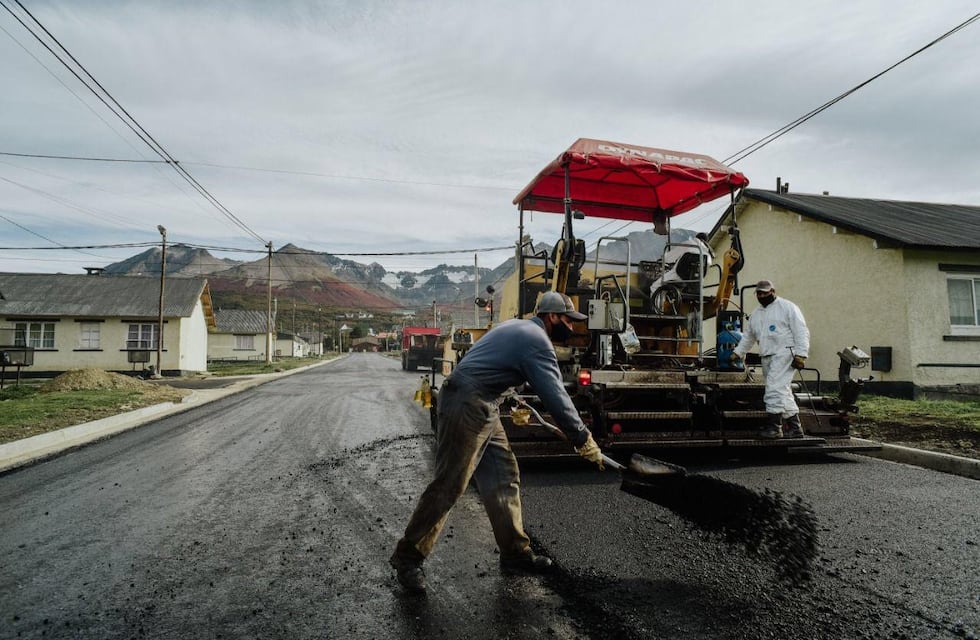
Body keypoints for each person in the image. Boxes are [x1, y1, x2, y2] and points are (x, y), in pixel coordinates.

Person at [389, 291, 605, 595]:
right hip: (468, 404)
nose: (572, 327)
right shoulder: (537, 340)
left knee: (504, 476)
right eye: (569, 321)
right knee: (450, 483)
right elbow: (555, 395)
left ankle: (515, 553)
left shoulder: (518, 327)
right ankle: (408, 557)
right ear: (552, 317)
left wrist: (509, 394)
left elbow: (493, 364)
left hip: (484, 402)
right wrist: (582, 437)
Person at [730, 280, 810, 439]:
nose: (762, 295)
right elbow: (749, 337)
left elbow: (801, 331)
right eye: (759, 293)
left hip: (785, 353)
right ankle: (795, 428)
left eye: (765, 292)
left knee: (774, 388)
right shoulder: (756, 314)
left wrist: (801, 354)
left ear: (773, 291)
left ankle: (774, 428)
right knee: (783, 391)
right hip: (767, 355)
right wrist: (738, 352)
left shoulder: (788, 308)